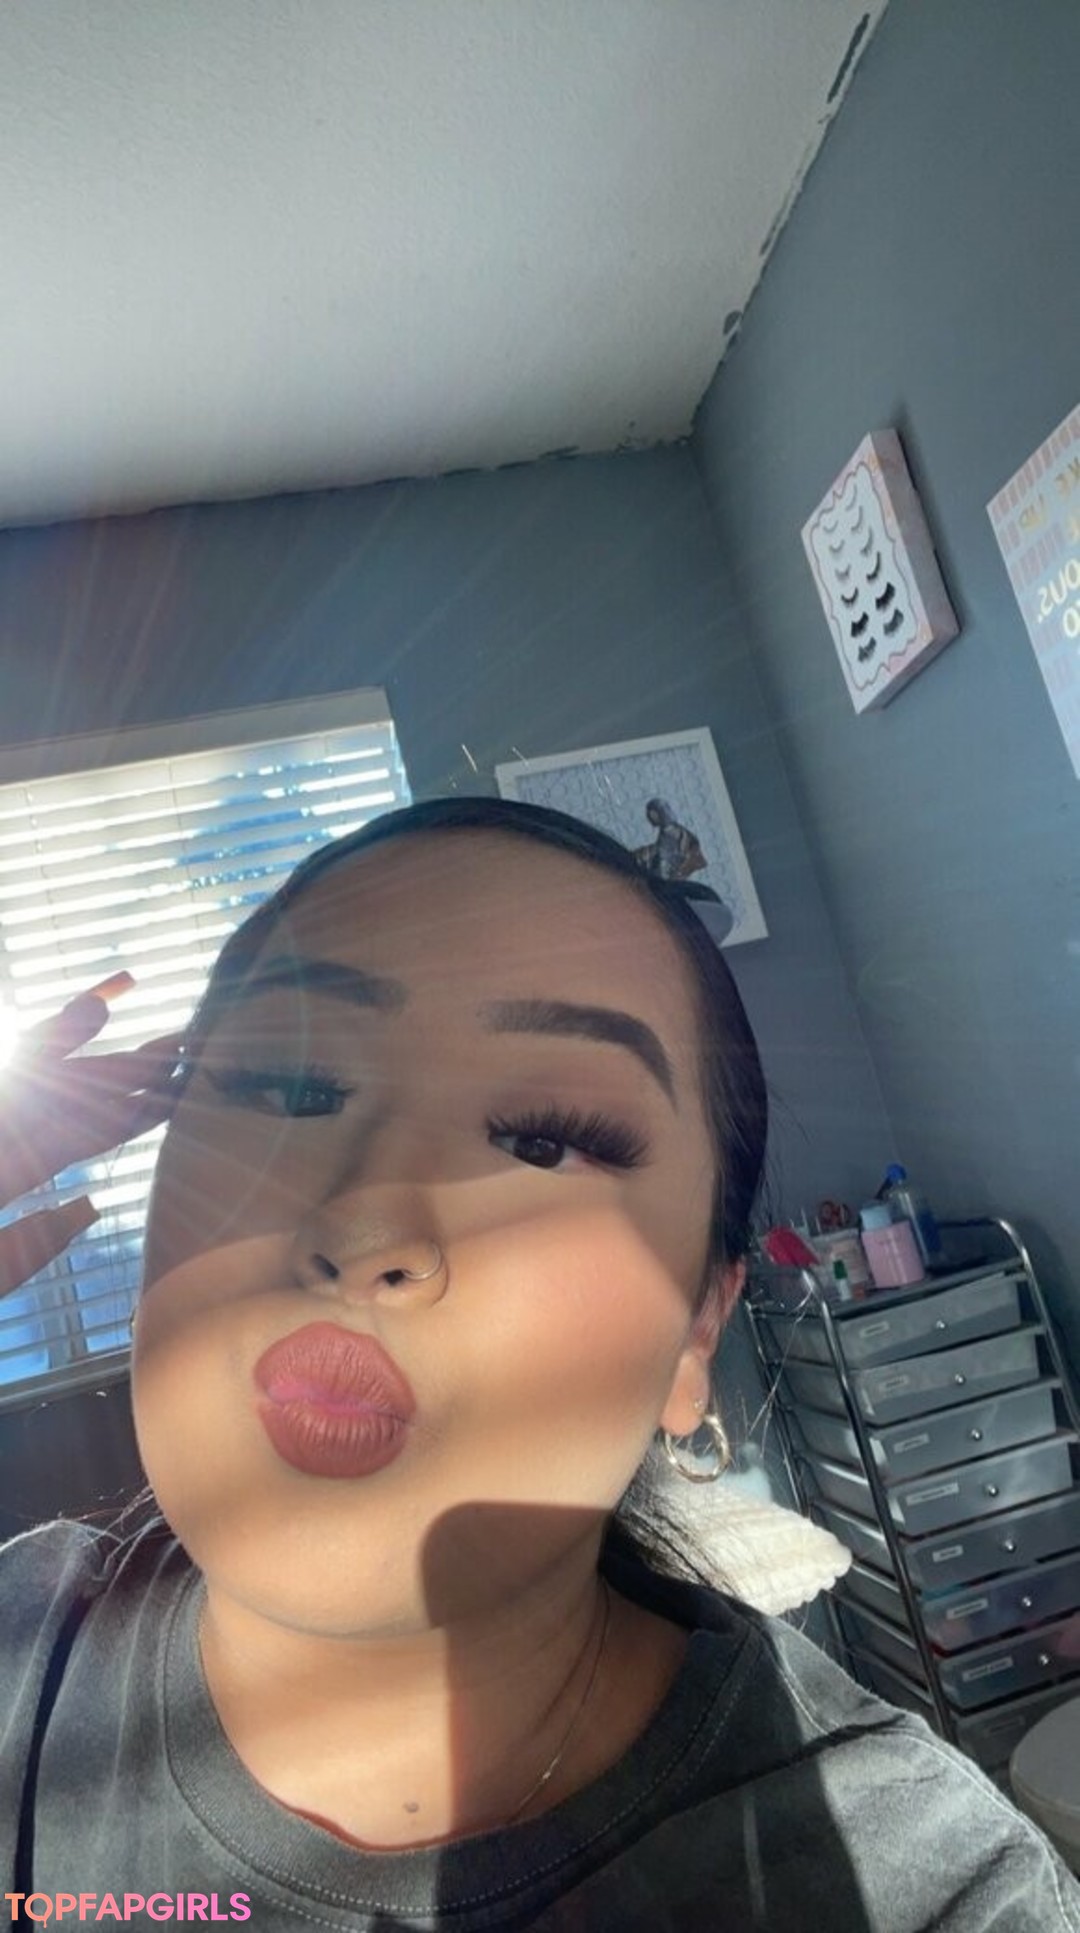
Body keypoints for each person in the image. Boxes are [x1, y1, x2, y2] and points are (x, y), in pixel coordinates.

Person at [0, 796, 1077, 1932]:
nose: (367, 1225)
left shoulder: (926, 1889)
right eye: (289, 1085)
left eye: (542, 1139)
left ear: (696, 1333)